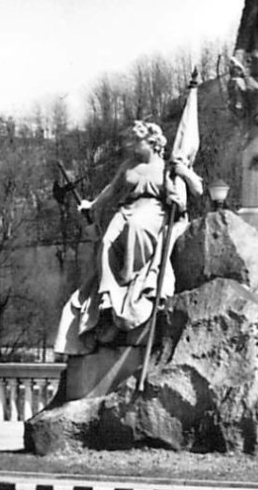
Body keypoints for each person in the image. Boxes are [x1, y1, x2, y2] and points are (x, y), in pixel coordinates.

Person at [54, 121, 204, 356]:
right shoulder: (128, 165)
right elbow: (111, 189)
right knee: (106, 243)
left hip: (154, 211)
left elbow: (197, 191)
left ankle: (132, 282)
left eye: (137, 141)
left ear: (152, 143)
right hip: (127, 208)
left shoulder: (167, 167)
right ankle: (108, 298)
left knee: (136, 227)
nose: (133, 146)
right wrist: (92, 205)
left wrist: (183, 172)